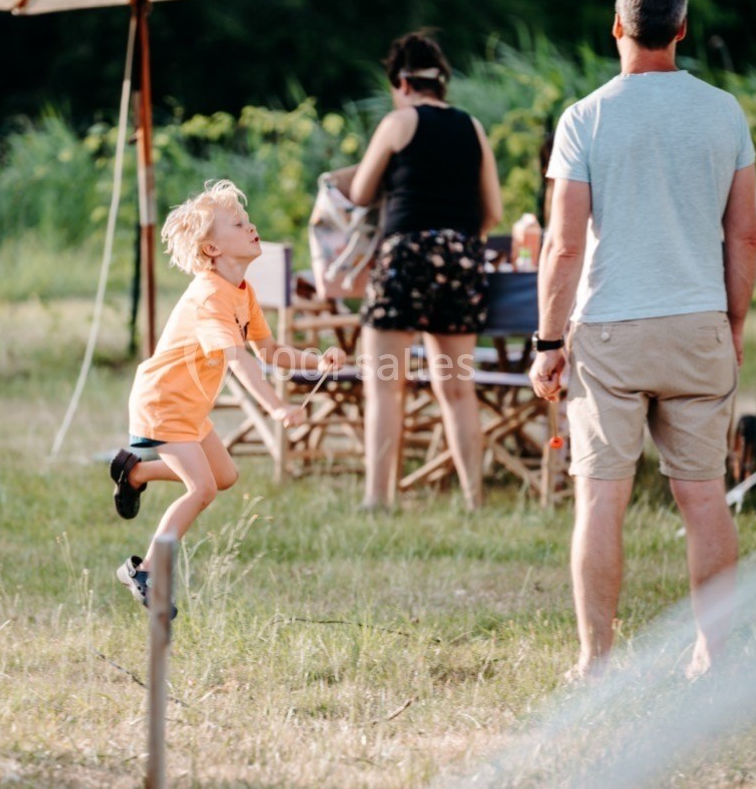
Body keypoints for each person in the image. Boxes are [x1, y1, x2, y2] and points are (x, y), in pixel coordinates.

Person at [529, 0, 756, 679]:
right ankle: (713, 657)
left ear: (618, 26)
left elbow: (564, 244)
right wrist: (732, 323)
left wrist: (546, 342)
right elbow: (744, 234)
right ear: (682, 30)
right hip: (696, 323)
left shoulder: (586, 117)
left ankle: (597, 661)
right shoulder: (724, 112)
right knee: (703, 498)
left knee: (601, 499)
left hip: (611, 334)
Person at [109, 180, 346, 616]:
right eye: (238, 224)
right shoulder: (209, 298)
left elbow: (271, 353)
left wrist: (318, 362)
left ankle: (137, 473)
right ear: (213, 250)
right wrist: (276, 407)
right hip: (163, 403)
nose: (251, 226)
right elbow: (239, 361)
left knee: (224, 476)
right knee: (201, 489)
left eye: (247, 219)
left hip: (189, 406)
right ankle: (144, 570)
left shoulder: (243, 293)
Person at [350, 31, 502, 512]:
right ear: (442, 81)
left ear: (400, 81)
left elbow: (359, 192)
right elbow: (493, 210)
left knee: (385, 387)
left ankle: (379, 500)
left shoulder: (398, 122)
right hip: (460, 258)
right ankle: (474, 499)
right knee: (458, 388)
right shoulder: (472, 126)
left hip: (406, 259)